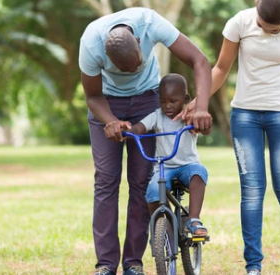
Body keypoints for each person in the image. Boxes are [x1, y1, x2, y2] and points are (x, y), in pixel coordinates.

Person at [177, 0, 280, 274]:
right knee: (252, 193)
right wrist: (199, 101)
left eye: (278, 29)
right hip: (245, 117)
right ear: (256, 8)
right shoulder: (239, 22)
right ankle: (253, 266)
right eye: (266, 28)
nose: (272, 32)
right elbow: (221, 68)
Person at [78, 7, 213, 275]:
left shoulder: (150, 22)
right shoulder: (90, 42)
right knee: (106, 182)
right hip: (106, 103)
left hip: (147, 102)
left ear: (140, 41)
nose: (130, 73)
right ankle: (105, 265)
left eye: (136, 65)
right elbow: (92, 97)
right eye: (122, 69)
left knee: (143, 182)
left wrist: (201, 107)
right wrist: (110, 121)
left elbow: (200, 61)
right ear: (105, 56)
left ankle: (133, 264)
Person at [125, 73, 210, 237]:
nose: (167, 106)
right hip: (164, 167)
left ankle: (194, 218)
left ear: (185, 99)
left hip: (188, 165)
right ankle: (163, 228)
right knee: (153, 190)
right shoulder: (157, 116)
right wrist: (128, 131)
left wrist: (203, 123)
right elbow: (139, 128)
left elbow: (205, 129)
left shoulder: (189, 117)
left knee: (199, 173)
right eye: (163, 101)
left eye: (173, 101)